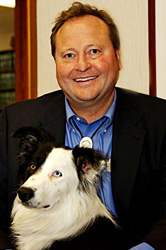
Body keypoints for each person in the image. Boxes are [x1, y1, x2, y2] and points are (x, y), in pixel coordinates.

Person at [0, 2, 166, 249]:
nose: (82, 65)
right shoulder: (14, 120)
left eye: (94, 51)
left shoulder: (160, 120)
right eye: (68, 55)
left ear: (118, 57)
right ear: (56, 63)